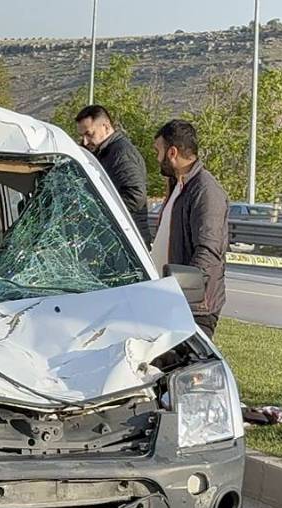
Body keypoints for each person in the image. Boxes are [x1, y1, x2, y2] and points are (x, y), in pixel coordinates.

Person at [150, 119, 228, 338]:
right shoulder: (179, 185)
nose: (157, 158)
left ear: (172, 152)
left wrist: (181, 293)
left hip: (192, 308)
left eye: (158, 151)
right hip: (171, 299)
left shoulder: (205, 191)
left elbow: (208, 251)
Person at [75, 105, 152, 244]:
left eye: (89, 134)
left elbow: (136, 195)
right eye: (82, 136)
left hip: (129, 240)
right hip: (118, 238)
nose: (85, 141)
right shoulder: (105, 153)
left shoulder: (121, 153)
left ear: (106, 126)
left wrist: (100, 210)